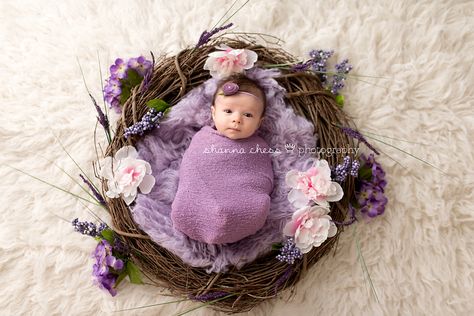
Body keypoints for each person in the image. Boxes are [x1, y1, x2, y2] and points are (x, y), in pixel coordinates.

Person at [171, 74, 274, 245]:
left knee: (259, 206)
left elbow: (264, 178)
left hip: (244, 208)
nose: (237, 119)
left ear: (259, 122)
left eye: (248, 115)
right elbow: (191, 167)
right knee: (184, 206)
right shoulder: (203, 138)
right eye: (228, 111)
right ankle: (189, 213)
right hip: (196, 204)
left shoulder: (259, 147)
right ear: (213, 113)